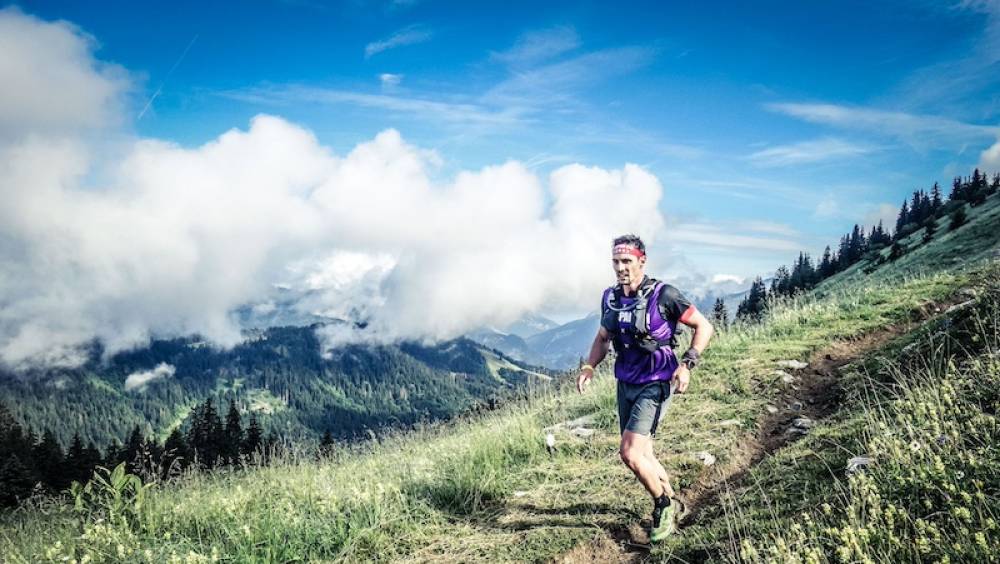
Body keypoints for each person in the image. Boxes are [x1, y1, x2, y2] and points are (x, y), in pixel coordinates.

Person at [577, 234, 714, 542]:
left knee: (629, 453)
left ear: (642, 261)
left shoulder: (664, 295)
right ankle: (674, 501)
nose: (620, 268)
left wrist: (687, 363)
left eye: (626, 261)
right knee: (644, 453)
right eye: (615, 261)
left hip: (656, 382)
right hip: (625, 383)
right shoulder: (610, 298)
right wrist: (589, 366)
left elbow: (704, 326)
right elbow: (602, 338)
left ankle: (662, 505)